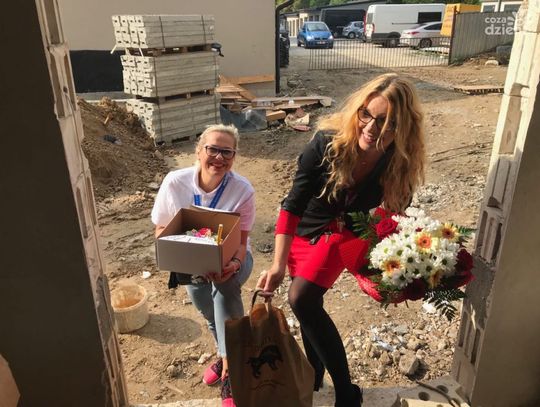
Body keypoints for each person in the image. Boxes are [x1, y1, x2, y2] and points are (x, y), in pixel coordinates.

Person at [257, 73, 426, 407]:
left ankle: (347, 393)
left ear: (402, 128)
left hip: (345, 235)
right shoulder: (326, 143)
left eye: (386, 122)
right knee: (308, 306)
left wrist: (395, 265)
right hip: (304, 231)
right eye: (367, 114)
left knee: (301, 298)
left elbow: (394, 216)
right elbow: (293, 204)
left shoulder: (399, 162)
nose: (372, 127)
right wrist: (277, 263)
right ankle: (314, 375)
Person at [151, 124, 255, 407]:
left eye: (227, 152)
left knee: (223, 291)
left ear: (234, 157)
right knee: (209, 312)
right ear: (198, 151)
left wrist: (234, 263)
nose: (219, 157)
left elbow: (242, 242)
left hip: (233, 260)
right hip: (190, 262)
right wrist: (184, 251)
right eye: (213, 149)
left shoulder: (242, 190)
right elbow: (160, 230)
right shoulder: (176, 182)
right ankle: (224, 355)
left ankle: (232, 372)